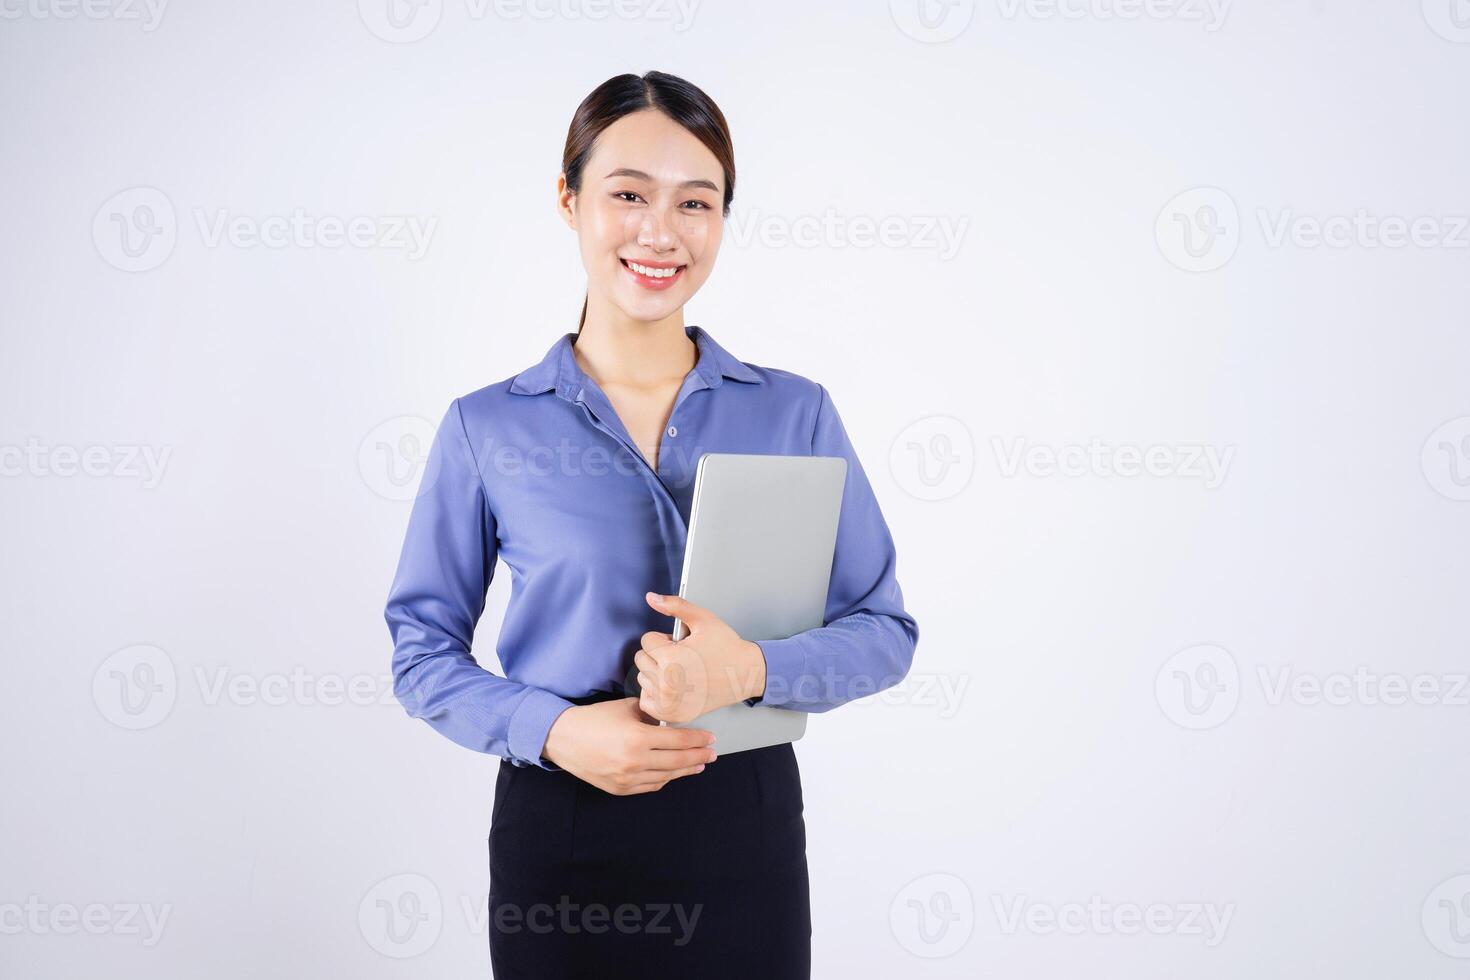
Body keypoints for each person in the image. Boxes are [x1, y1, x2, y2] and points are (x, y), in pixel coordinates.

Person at [384, 69, 919, 978]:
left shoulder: (797, 414)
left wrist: (748, 667)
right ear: (569, 199)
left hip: (741, 828)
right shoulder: (489, 428)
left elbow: (885, 631)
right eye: (627, 194)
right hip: (562, 831)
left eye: (695, 203)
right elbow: (420, 653)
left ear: (722, 220)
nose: (660, 233)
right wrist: (554, 731)